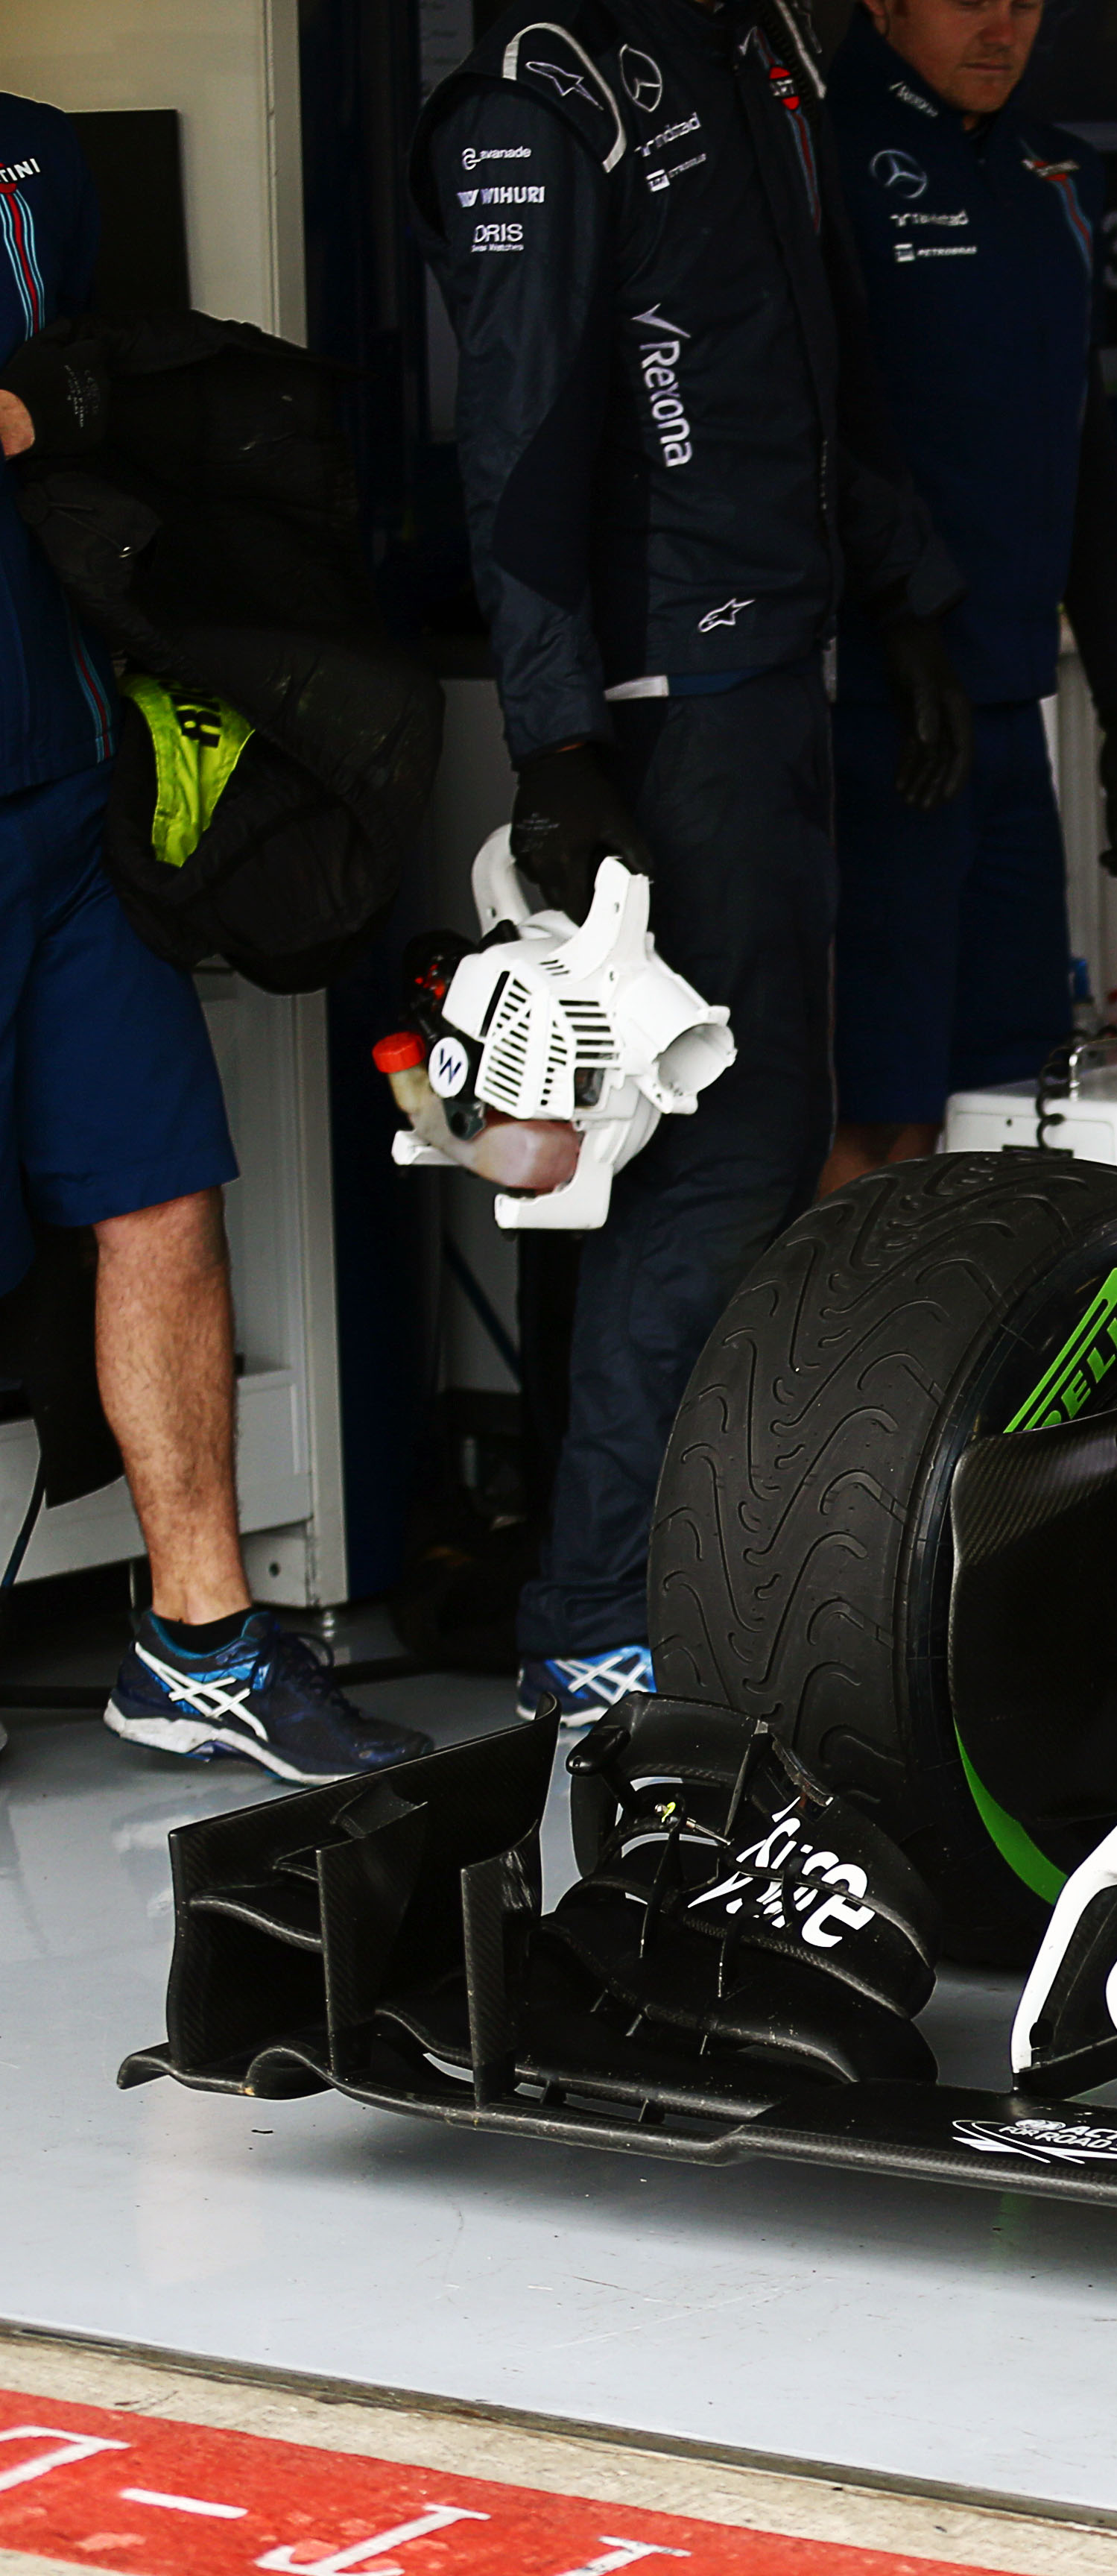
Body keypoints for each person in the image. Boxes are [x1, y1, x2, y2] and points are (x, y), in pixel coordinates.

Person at [417, 0, 969, 1730]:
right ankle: (595, 1608)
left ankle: (620, 1580)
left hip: (780, 672)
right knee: (710, 1160)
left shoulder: (762, 44)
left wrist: (909, 598)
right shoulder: (548, 80)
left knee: (723, 1144)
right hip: (664, 704)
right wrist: (560, 736)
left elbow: (822, 355)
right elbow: (510, 444)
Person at [0, 97, 423, 1778]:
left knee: (160, 1190)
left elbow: (101, 390)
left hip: (63, 785)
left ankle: (201, 1642)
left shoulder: (36, 158)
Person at [814, 0, 1117, 1199]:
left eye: (1024, 0)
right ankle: (824, 1389)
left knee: (1017, 1094)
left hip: (1012, 720)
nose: (1000, 25)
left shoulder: (1053, 174)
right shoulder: (817, 150)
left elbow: (1089, 456)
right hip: (875, 714)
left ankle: (972, 1386)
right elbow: (810, 434)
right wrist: (901, 623)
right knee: (880, 1111)